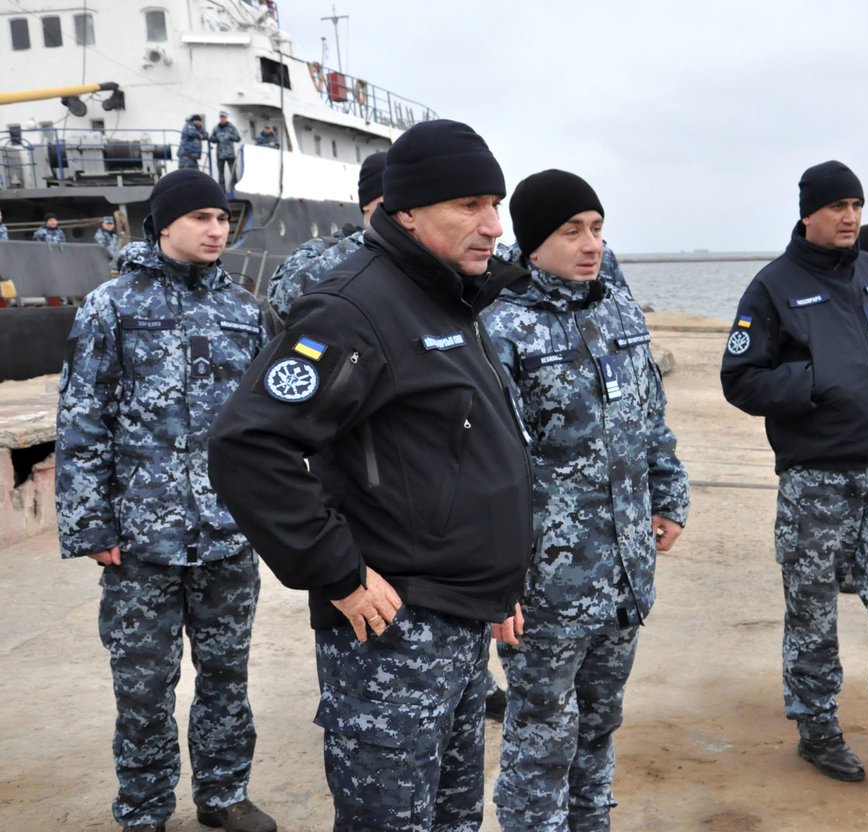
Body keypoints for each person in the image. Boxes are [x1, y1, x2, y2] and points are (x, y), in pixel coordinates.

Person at [208, 119, 533, 831]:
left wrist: (498, 584)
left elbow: (457, 454)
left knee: (452, 819)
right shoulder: (352, 309)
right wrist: (337, 570)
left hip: (458, 620)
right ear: (408, 211)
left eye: (496, 204)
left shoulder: (447, 296)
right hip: (395, 635)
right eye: (470, 205)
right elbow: (248, 445)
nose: (492, 225)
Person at [721, 161, 868, 807]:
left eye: (857, 204)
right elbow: (740, 381)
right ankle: (818, 728)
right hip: (818, 481)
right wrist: (817, 380)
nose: (850, 216)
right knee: (814, 613)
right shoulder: (773, 288)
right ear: (808, 213)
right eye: (837, 206)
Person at [55, 169, 277, 832]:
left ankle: (224, 795)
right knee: (145, 690)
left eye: (224, 219)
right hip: (140, 542)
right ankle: (145, 809)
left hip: (226, 536)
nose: (217, 230)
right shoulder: (111, 306)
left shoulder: (244, 312)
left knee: (226, 679)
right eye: (204, 218)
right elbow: (82, 418)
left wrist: (266, 513)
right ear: (165, 224)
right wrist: (91, 523)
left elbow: (266, 426)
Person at [482, 170, 690, 831]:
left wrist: (670, 494)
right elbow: (493, 469)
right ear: (532, 243)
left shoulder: (619, 312)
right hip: (548, 582)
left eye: (597, 228)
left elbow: (650, 420)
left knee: (600, 725)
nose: (590, 244)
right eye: (571, 231)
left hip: (625, 569)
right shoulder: (500, 329)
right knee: (542, 732)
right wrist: (501, 581)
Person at [266, 151, 385, 317]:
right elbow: (283, 300)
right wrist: (367, 241)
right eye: (387, 202)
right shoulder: (322, 250)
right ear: (367, 204)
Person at [211, 111, 242, 193]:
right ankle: (222, 192)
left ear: (226, 118)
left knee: (233, 173)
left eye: (224, 117)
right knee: (221, 174)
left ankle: (234, 190)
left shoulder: (231, 127)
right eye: (221, 117)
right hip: (220, 155)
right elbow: (212, 139)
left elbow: (238, 138)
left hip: (230, 155)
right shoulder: (216, 128)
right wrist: (216, 138)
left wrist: (229, 136)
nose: (222, 118)